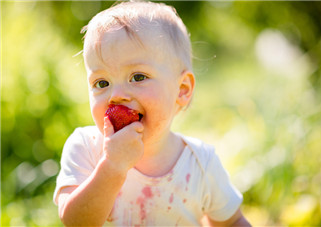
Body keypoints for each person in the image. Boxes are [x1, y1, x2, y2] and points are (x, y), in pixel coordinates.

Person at [54, 1, 251, 226]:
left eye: (138, 77)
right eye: (102, 82)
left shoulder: (201, 164)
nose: (116, 95)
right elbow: (75, 222)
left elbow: (232, 221)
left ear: (182, 90)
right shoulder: (86, 149)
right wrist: (112, 167)